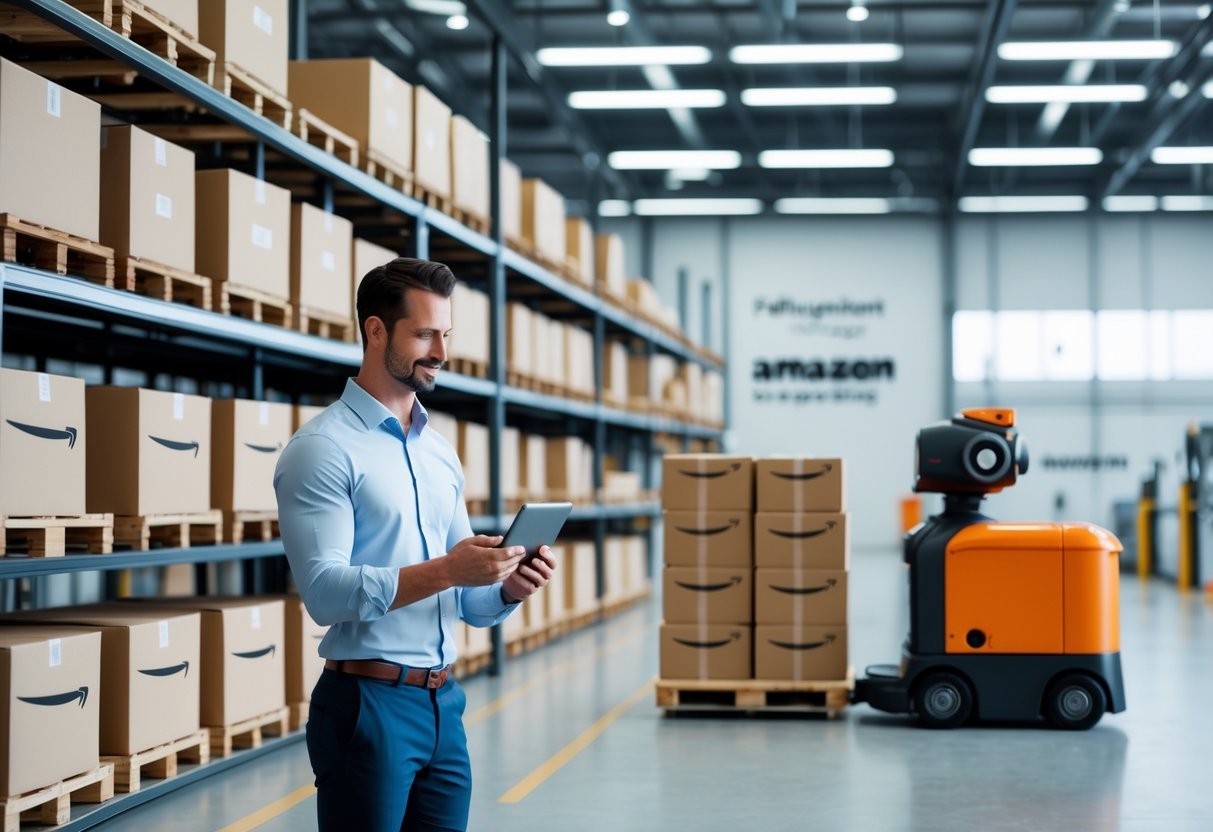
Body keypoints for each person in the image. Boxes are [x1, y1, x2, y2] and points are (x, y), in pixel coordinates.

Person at [274, 257, 557, 832]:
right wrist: (449, 571)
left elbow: (467, 603)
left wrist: (506, 587)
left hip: (442, 705)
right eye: (425, 334)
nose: (441, 353)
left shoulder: (438, 453)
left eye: (446, 334)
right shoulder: (323, 449)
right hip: (366, 706)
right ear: (376, 331)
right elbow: (325, 594)